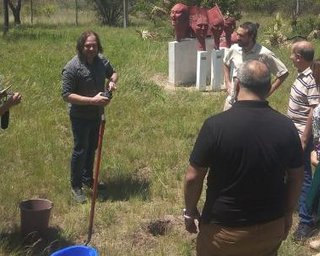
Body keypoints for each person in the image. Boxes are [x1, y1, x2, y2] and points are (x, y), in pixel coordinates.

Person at [183, 60, 304, 256]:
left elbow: (193, 177)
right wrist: (288, 213)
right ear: (267, 88)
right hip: (270, 227)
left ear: (237, 84)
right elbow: (297, 176)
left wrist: (189, 211)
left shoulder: (215, 126)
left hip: (223, 232)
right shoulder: (286, 126)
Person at [62, 30, 118, 203]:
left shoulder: (101, 61)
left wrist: (112, 82)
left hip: (97, 114)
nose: (91, 48)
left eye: (94, 45)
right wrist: (91, 101)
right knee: (80, 149)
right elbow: (66, 95)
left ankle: (88, 179)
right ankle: (76, 185)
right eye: (87, 46)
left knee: (92, 147)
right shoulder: (72, 67)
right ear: (81, 46)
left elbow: (113, 72)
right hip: (79, 116)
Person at [287, 41, 320, 241]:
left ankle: (306, 222)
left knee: (305, 176)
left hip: (304, 136)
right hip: (297, 133)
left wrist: (305, 138)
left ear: (299, 56)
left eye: (292, 54)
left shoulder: (311, 79)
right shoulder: (305, 74)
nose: (290, 57)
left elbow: (313, 111)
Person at [223, 21, 288, 110]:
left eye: (241, 36)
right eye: (237, 34)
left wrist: (268, 92)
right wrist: (227, 83)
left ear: (251, 36)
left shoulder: (264, 54)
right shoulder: (234, 49)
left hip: (253, 105)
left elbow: (283, 73)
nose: (237, 38)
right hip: (232, 101)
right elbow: (226, 63)